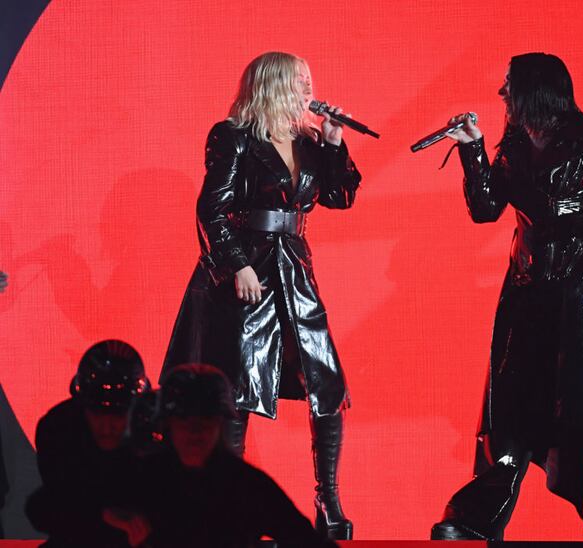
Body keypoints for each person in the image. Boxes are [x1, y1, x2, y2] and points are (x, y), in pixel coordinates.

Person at [430, 53, 583, 543]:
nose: (501, 95)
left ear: (533, 90)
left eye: (508, 86)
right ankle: (478, 518)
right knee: (515, 404)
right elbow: (485, 209)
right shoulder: (512, 145)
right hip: (528, 289)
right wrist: (472, 150)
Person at [161, 51, 361, 540]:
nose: (309, 90)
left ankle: (328, 498)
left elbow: (340, 196)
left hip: (295, 270)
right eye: (300, 81)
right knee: (239, 387)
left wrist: (335, 144)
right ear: (273, 85)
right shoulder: (232, 137)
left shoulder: (309, 140)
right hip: (248, 268)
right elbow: (212, 208)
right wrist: (238, 264)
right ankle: (223, 500)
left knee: (326, 387)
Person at [114, 363, 335, 548]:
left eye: (205, 419)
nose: (195, 431)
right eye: (185, 419)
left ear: (220, 423)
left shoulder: (247, 487)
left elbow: (307, 541)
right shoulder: (142, 479)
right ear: (168, 423)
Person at [25, 340, 151, 547]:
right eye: (98, 413)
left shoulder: (155, 432)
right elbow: (50, 504)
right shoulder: (58, 429)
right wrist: (101, 514)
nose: (107, 426)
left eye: (118, 414)